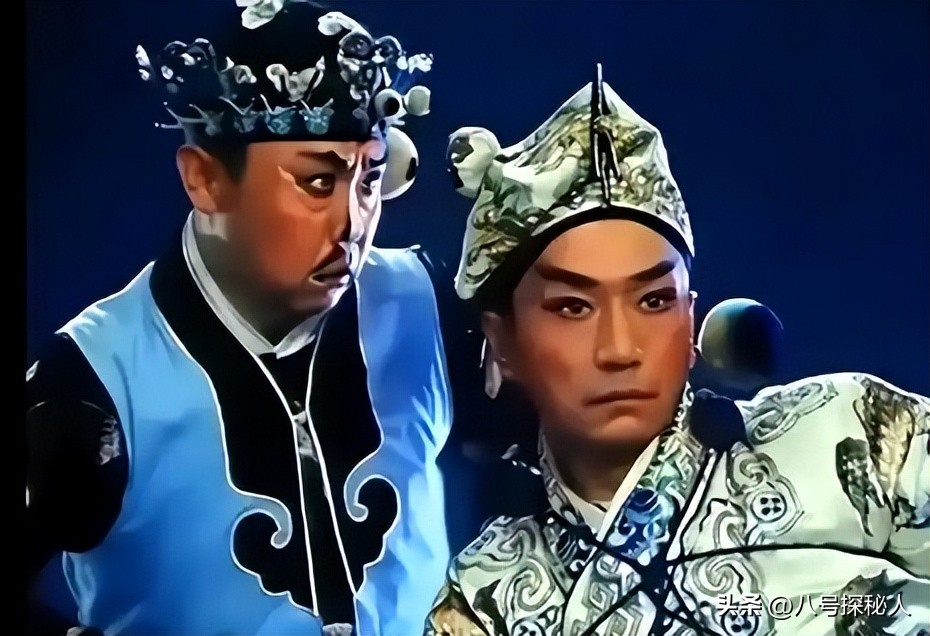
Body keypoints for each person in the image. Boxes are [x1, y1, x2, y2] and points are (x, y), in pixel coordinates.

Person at [425, 66, 929, 635]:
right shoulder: (486, 599)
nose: (620, 350)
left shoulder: (857, 432)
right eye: (573, 307)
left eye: (654, 300)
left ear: (691, 320)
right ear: (503, 343)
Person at [25, 2, 451, 634]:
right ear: (205, 180)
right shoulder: (97, 379)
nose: (353, 226)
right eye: (317, 182)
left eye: (368, 180)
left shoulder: (425, 303)